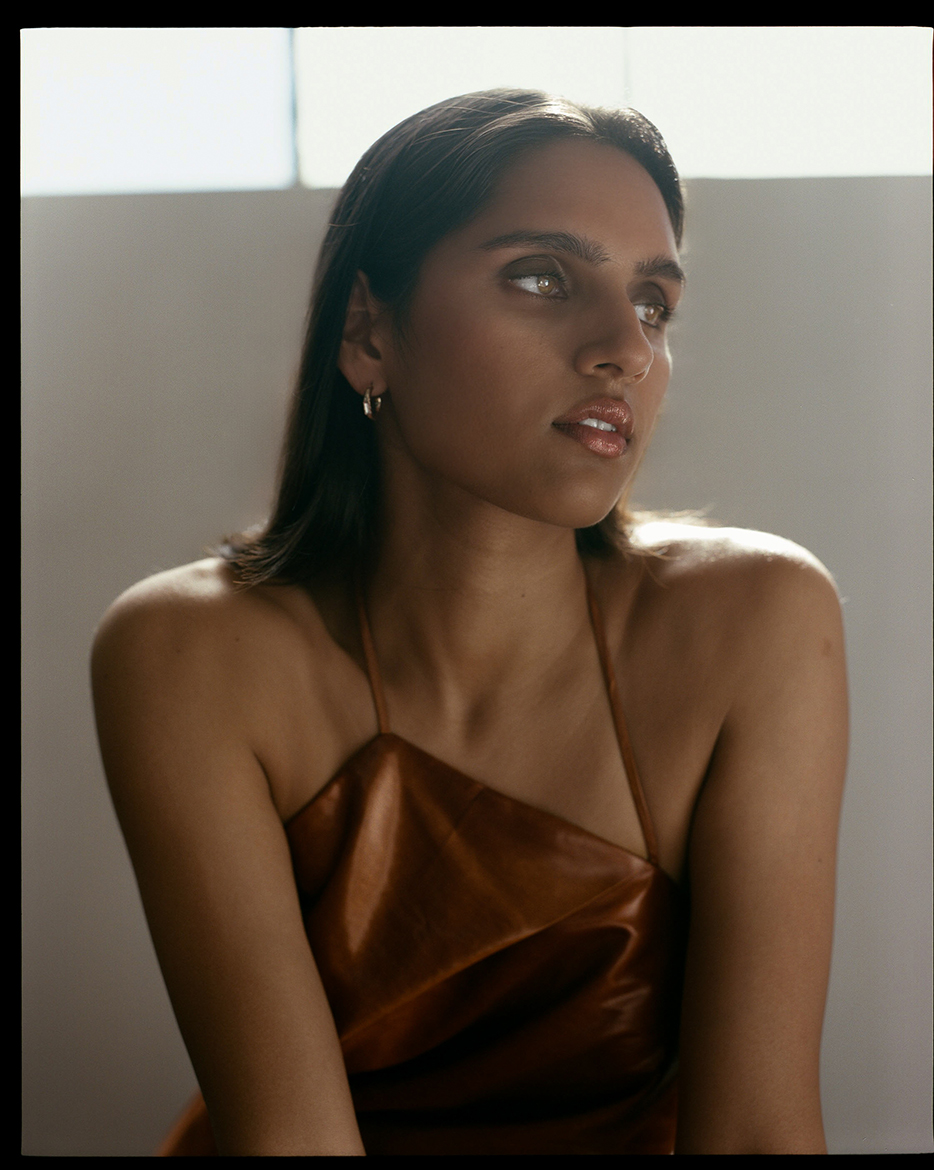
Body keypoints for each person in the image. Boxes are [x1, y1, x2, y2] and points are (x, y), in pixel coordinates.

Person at [91, 89, 848, 1155]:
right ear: (368, 332)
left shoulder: (758, 619)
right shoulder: (183, 652)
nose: (622, 348)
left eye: (653, 304)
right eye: (543, 278)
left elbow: (761, 1132)